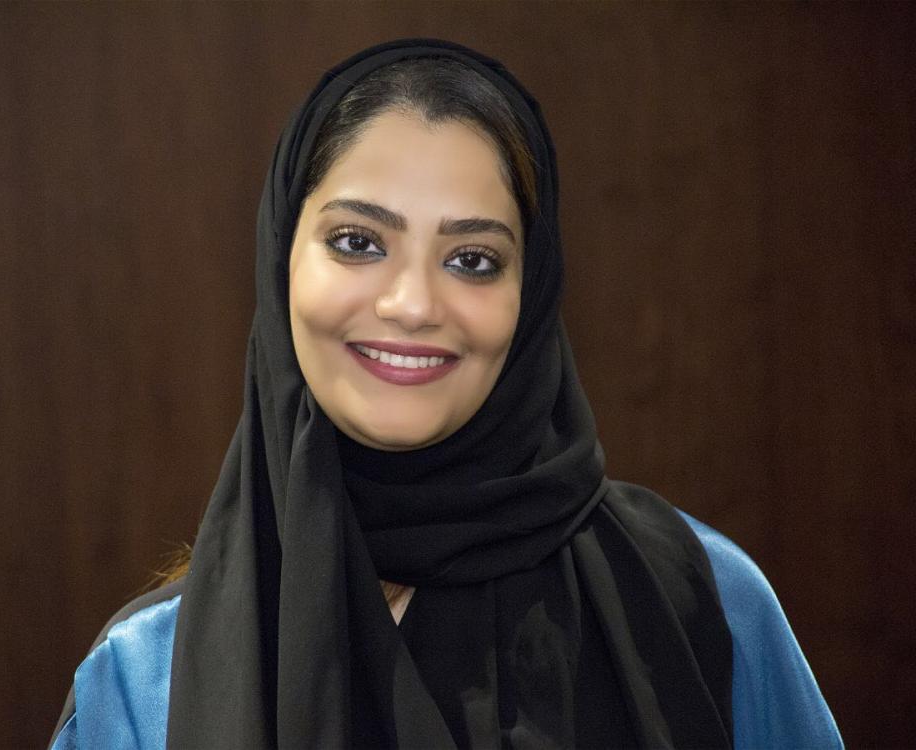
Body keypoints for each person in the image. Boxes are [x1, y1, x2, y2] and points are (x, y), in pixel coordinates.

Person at [49, 38, 842, 749]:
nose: (413, 304)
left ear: (532, 295)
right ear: (280, 262)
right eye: (357, 242)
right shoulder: (144, 675)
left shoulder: (703, 599)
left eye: (472, 259)